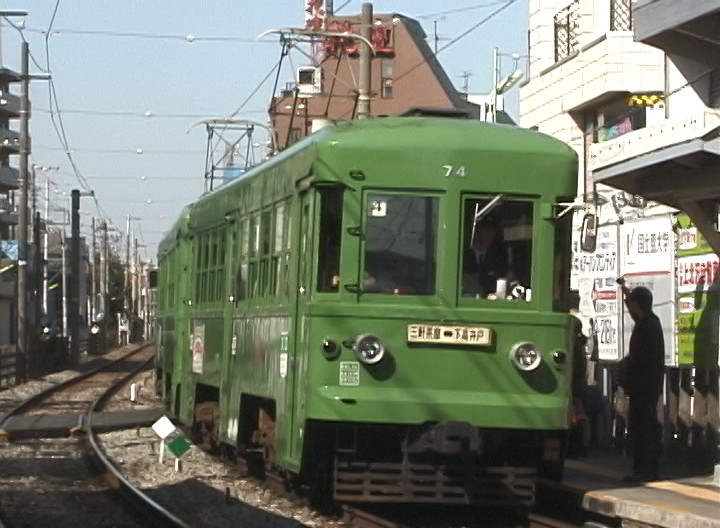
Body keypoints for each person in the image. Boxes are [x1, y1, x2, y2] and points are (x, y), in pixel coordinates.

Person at [618, 280, 664, 483]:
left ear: (639, 305)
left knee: (643, 429)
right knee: (641, 428)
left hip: (644, 387)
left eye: (631, 305)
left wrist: (627, 367)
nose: (629, 309)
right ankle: (643, 470)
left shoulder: (648, 326)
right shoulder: (648, 323)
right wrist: (625, 289)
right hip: (644, 387)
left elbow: (642, 359)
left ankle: (645, 471)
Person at [464, 217, 508, 297]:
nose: (489, 234)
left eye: (492, 230)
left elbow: (503, 278)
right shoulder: (464, 255)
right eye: (485, 230)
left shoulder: (499, 257)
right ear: (476, 231)